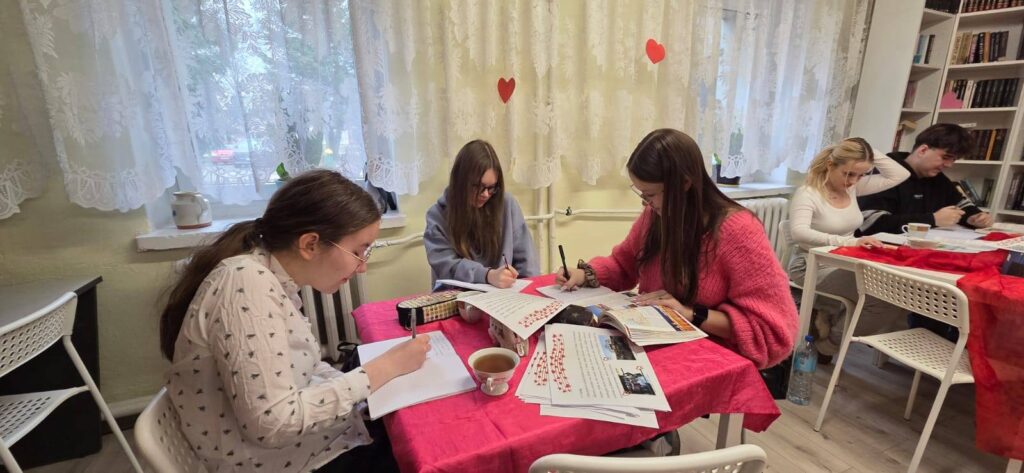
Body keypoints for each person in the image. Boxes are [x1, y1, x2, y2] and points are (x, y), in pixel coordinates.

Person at [159, 170, 430, 473]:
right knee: (422, 446)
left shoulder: (269, 278)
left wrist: (363, 392)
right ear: (310, 244)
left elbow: (305, 368)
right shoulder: (247, 284)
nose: (362, 267)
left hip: (302, 445)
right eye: (358, 251)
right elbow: (272, 424)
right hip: (275, 462)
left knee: (404, 420)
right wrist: (383, 369)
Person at [556, 128, 797, 370]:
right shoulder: (656, 216)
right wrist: (583, 274)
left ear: (684, 183)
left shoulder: (738, 231)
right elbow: (623, 263)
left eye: (650, 194)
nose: (646, 203)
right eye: (641, 193)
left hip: (707, 358)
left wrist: (688, 313)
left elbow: (772, 330)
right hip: (655, 345)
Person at [787, 138, 910, 358]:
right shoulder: (808, 193)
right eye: (848, 173)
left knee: (895, 290)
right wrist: (849, 242)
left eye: (861, 175)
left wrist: (866, 149)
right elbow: (799, 233)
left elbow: (900, 175)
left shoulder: (852, 188)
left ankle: (828, 335)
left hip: (846, 260)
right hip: (810, 264)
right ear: (830, 165)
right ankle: (828, 346)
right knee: (884, 300)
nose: (853, 180)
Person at [424, 139, 539, 288]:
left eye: (491, 188)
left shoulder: (507, 204)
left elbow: (527, 264)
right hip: (456, 297)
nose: (485, 194)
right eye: (478, 186)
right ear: (461, 182)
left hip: (503, 296)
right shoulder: (437, 216)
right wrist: (487, 275)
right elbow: (447, 267)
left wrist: (529, 292)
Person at [859, 123, 994, 235]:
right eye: (945, 157)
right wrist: (932, 219)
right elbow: (870, 223)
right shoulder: (885, 172)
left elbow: (961, 205)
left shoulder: (937, 178)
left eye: (954, 159)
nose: (949, 165)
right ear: (922, 150)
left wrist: (974, 217)